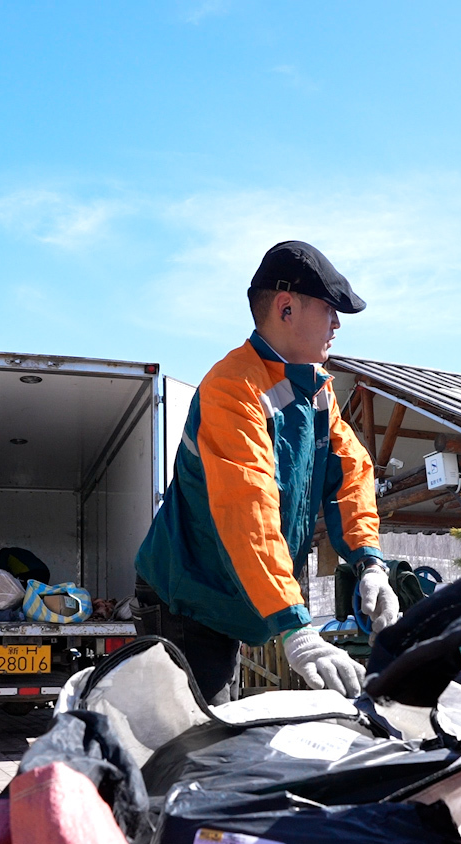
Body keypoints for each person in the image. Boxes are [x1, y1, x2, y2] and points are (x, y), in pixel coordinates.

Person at [135, 240, 400, 703]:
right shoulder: (231, 389)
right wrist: (295, 627)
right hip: (189, 597)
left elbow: (351, 474)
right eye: (330, 309)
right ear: (285, 308)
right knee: (197, 735)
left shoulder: (314, 390)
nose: (337, 324)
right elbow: (247, 513)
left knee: (223, 727)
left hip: (231, 596)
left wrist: (370, 562)